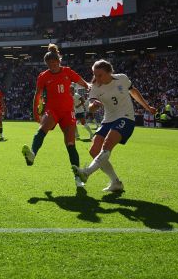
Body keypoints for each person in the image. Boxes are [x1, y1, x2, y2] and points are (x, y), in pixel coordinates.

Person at [73, 59, 156, 193]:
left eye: (100, 75)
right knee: (94, 150)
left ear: (109, 72)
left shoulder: (122, 78)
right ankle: (115, 182)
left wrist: (147, 107)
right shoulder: (95, 87)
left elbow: (133, 92)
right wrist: (93, 106)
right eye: (95, 74)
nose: (96, 78)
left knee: (106, 145)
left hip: (126, 118)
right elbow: (91, 107)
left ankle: (86, 172)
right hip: (108, 120)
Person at [22, 44, 90, 188]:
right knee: (42, 129)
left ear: (59, 61)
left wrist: (89, 86)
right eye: (49, 64)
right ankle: (32, 154)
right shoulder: (43, 76)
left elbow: (83, 83)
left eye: (54, 63)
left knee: (70, 144)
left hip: (67, 112)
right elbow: (37, 94)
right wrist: (35, 112)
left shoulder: (68, 72)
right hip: (52, 110)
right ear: (46, 64)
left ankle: (77, 177)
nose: (52, 66)